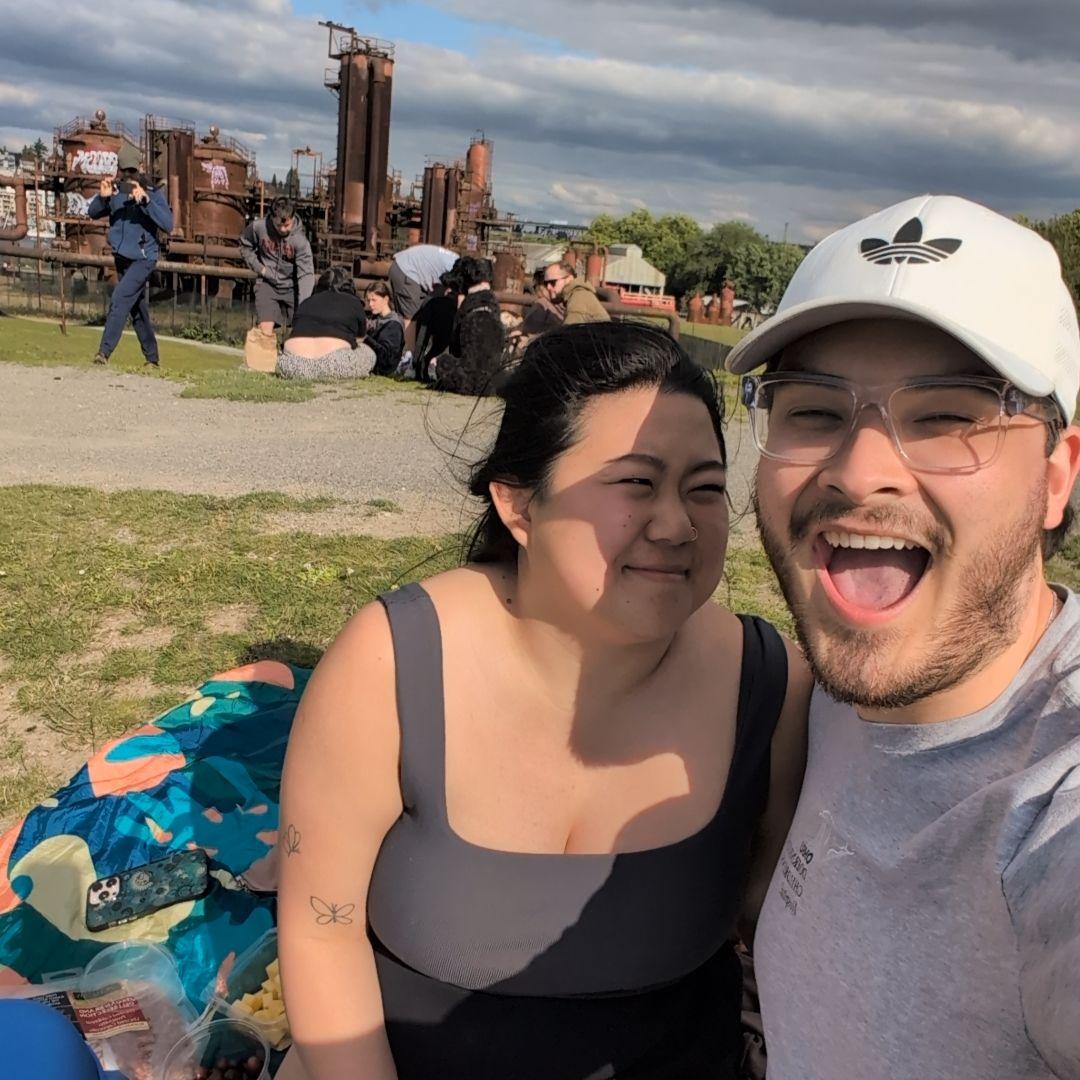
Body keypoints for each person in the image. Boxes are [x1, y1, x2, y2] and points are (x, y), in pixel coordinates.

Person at [276, 321, 811, 1080]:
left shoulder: (769, 690)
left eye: (706, 489)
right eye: (635, 483)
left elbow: (794, 934)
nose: (676, 524)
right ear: (519, 508)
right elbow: (320, 935)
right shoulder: (389, 666)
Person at [727, 195, 1080, 1080]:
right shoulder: (839, 688)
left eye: (949, 415)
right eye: (812, 410)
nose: (859, 471)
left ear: (1056, 478)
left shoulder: (1055, 804)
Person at [87, 143, 174, 367]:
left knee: (119, 298)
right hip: (122, 257)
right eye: (124, 171)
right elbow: (93, 213)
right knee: (137, 309)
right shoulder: (116, 193)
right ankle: (152, 359)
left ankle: (103, 353)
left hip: (144, 258)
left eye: (131, 171)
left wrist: (145, 201)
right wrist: (103, 197)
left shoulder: (154, 193)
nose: (127, 176)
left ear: (141, 168)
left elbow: (168, 224)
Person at [278, 267, 376, 380]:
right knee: (368, 352)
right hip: (334, 364)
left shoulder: (306, 302)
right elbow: (359, 339)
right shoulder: (354, 302)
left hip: (291, 364)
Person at [240, 196, 315, 337]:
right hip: (267, 283)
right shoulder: (258, 227)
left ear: (293, 218)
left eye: (286, 225)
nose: (282, 229)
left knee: (300, 330)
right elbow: (245, 246)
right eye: (278, 225)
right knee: (265, 329)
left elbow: (306, 274)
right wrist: (260, 268)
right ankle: (265, 357)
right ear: (271, 217)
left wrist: (304, 305)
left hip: (292, 286)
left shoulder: (301, 241)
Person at [434, 256, 506, 396]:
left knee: (443, 361)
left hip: (467, 382)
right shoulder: (493, 307)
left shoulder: (469, 310)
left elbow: (455, 346)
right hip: (490, 385)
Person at [389, 243, 458, 352]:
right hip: (407, 270)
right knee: (411, 317)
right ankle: (407, 357)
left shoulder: (456, 263)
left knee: (421, 314)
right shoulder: (456, 268)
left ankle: (412, 352)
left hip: (410, 267)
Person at [412, 268, 460, 381]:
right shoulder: (454, 299)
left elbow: (421, 336)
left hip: (431, 310)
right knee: (441, 345)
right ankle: (423, 367)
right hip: (445, 315)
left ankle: (418, 368)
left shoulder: (432, 299)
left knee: (423, 342)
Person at [543, 259, 611, 326]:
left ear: (569, 279)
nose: (548, 287)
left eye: (552, 282)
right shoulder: (579, 295)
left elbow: (569, 334)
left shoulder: (578, 298)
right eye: (546, 283)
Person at [362, 281, 406, 376]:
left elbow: (387, 357)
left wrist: (365, 339)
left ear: (385, 299)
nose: (370, 304)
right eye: (368, 300)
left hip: (385, 369)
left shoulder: (393, 325)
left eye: (374, 300)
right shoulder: (374, 319)